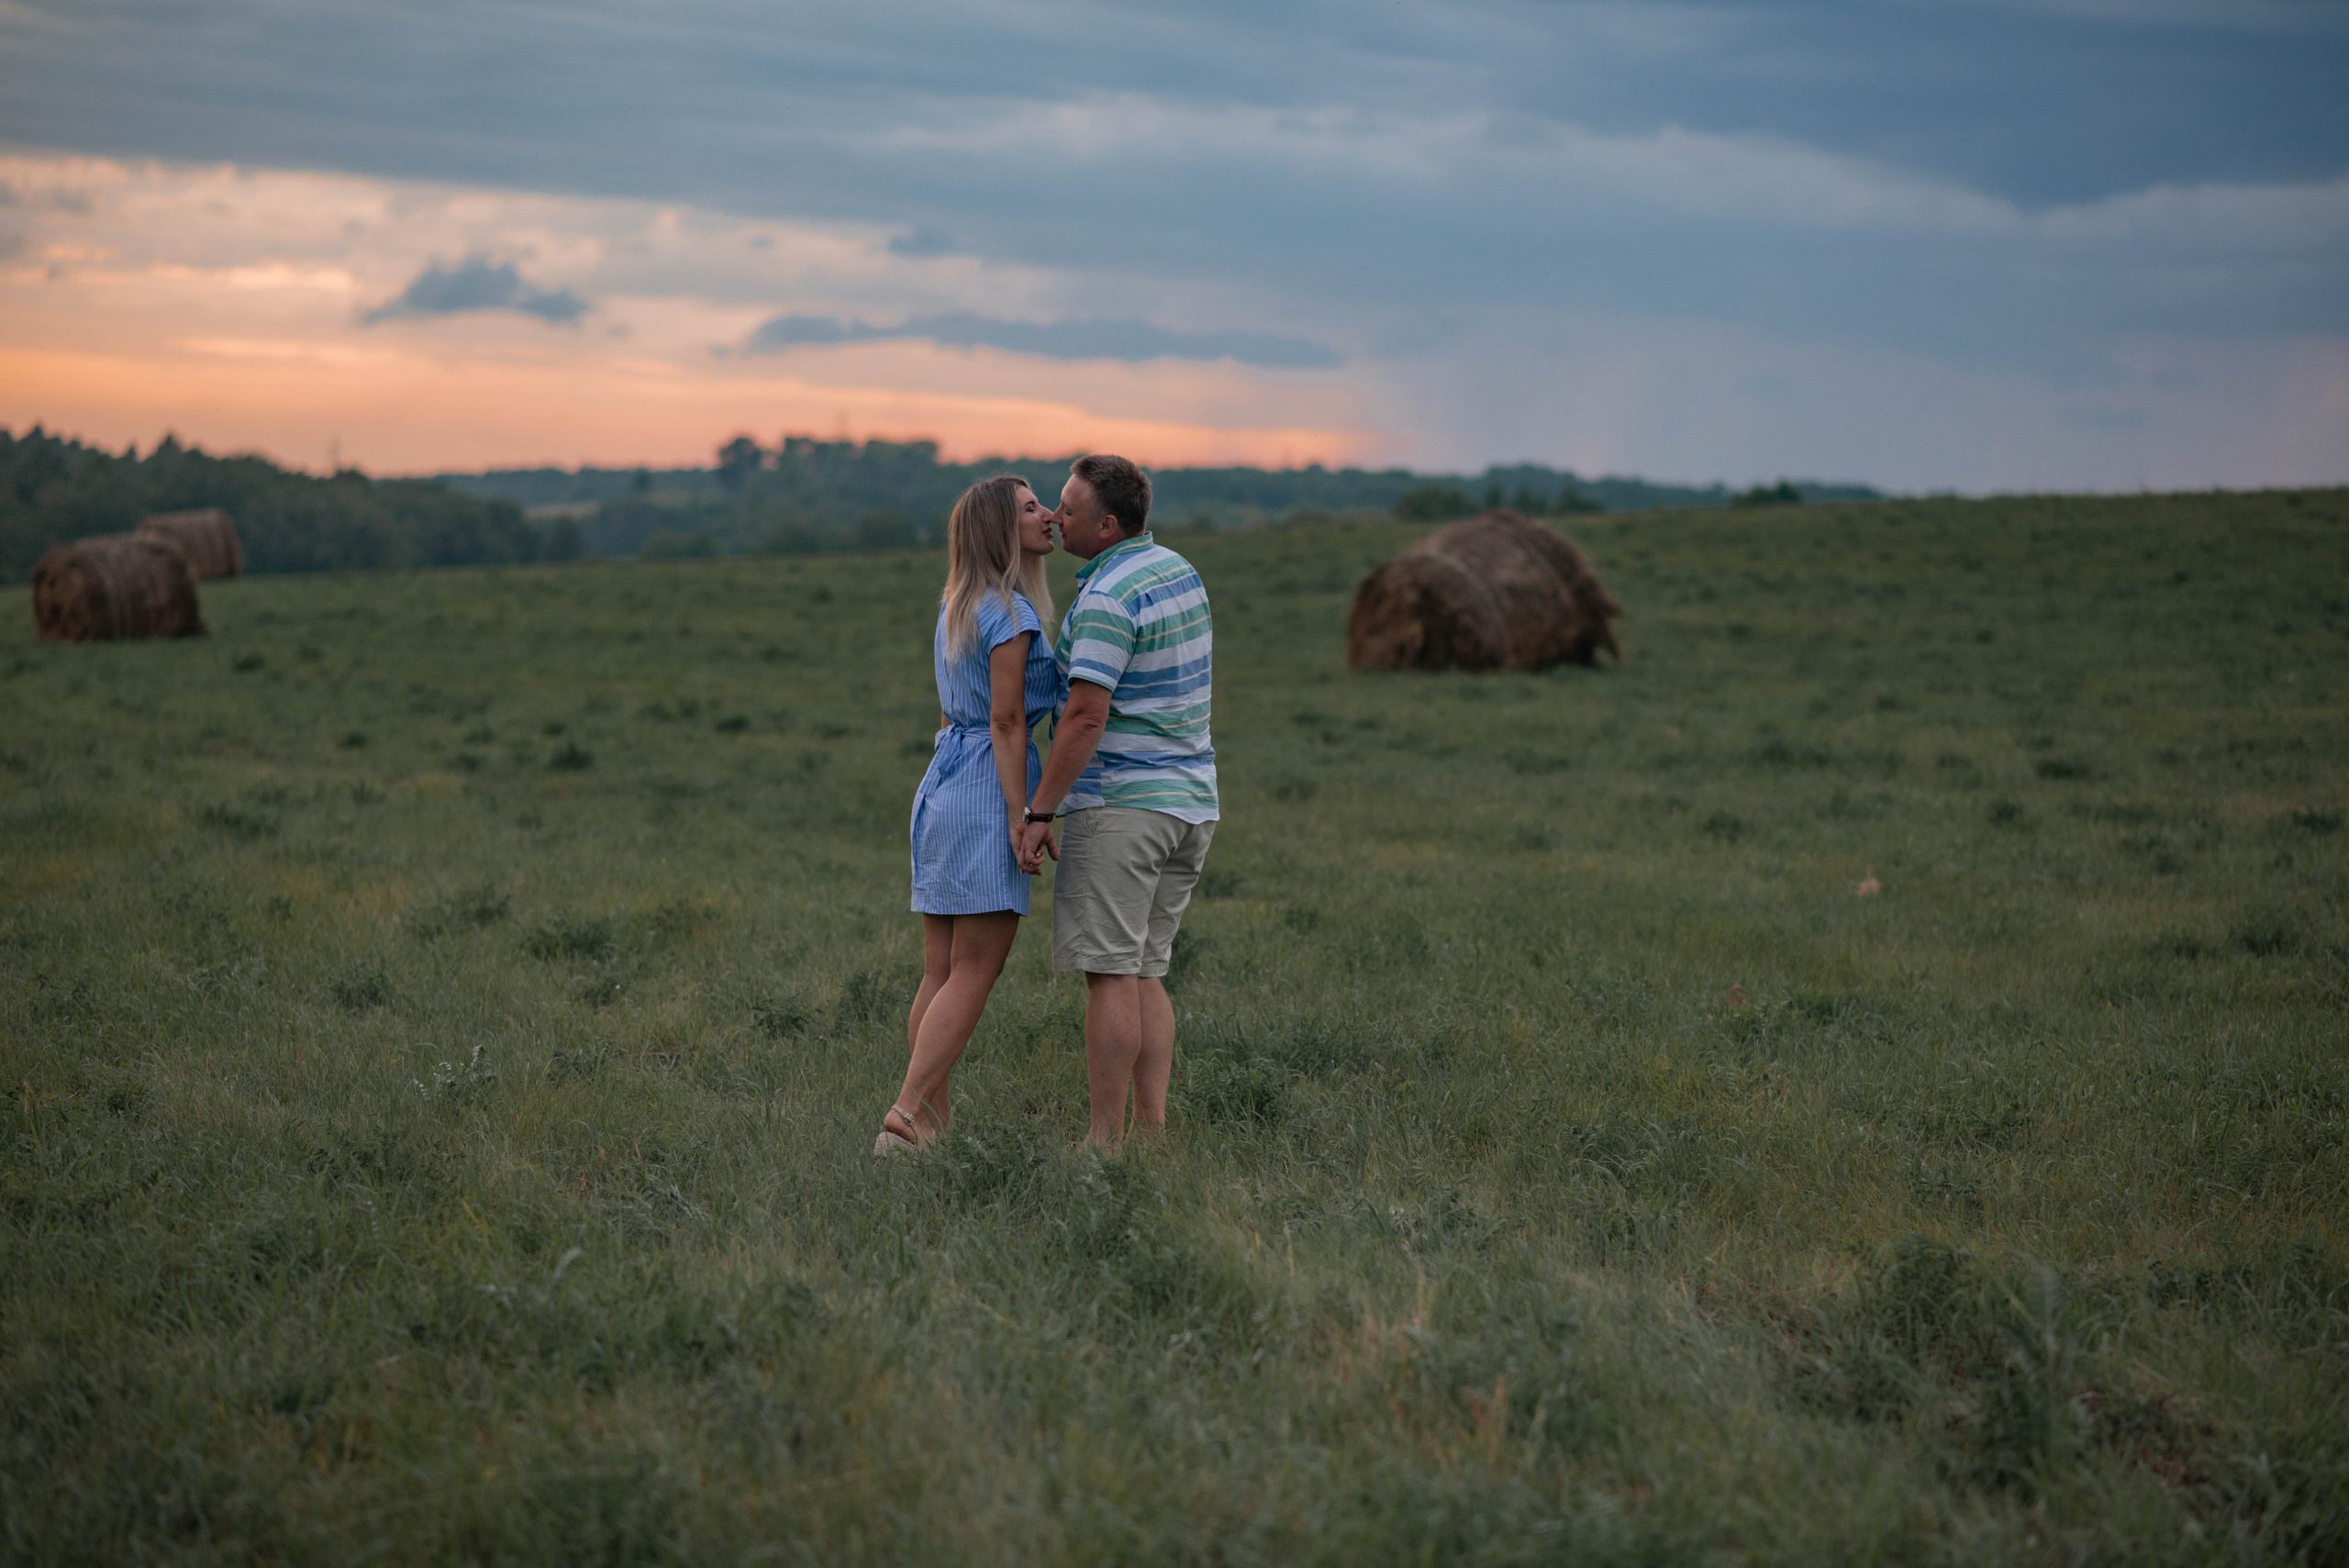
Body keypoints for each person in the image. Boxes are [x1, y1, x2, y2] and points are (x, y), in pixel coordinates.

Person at [1017, 454, 1217, 1149]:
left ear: (1105, 526)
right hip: (1191, 803)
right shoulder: (1178, 570)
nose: (1055, 516)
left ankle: (1104, 1145)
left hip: (1122, 809)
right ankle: (1151, 1136)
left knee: (1109, 976)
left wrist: (1040, 811)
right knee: (1145, 971)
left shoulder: (1105, 596)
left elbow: (1084, 717)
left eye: (1068, 509)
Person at [880, 474, 1063, 1155]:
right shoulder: (1010, 614)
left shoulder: (958, 606)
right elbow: (1008, 720)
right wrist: (1023, 814)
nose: (1048, 515)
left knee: (940, 971)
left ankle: (932, 1123)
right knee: (975, 970)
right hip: (988, 788)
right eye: (1031, 508)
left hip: (943, 785)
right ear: (999, 530)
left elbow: (966, 714)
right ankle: (907, 1114)